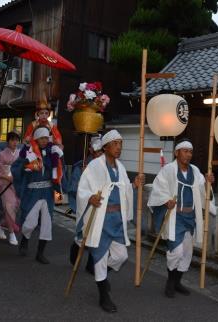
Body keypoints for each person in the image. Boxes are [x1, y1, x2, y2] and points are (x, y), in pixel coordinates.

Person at [76, 129, 144, 313]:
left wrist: (133, 185)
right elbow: (83, 189)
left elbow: (124, 191)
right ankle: (103, 295)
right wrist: (90, 197)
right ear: (105, 147)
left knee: (121, 256)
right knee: (100, 258)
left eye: (120, 144)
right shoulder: (95, 166)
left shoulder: (120, 168)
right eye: (115, 144)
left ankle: (103, 278)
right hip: (99, 218)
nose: (119, 147)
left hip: (116, 219)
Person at [147, 140, 215, 298]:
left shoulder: (195, 171)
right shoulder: (168, 170)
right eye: (185, 151)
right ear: (177, 153)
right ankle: (170, 282)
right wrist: (166, 200)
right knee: (176, 252)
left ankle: (177, 282)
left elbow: (205, 195)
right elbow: (158, 189)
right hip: (174, 216)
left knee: (187, 252)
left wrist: (207, 184)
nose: (188, 154)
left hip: (190, 216)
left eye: (190, 152)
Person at [12, 127, 62, 264]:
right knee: (29, 223)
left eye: (47, 138)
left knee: (47, 224)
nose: (45, 140)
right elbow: (16, 169)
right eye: (42, 138)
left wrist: (58, 195)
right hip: (32, 193)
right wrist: (26, 164)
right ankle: (25, 239)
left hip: (47, 193)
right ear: (36, 139)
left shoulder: (53, 153)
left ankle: (40, 253)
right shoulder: (28, 153)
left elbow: (58, 174)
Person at [68, 135, 103, 273]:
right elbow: (74, 188)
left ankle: (91, 264)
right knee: (83, 235)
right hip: (86, 205)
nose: (99, 154)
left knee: (97, 236)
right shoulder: (81, 166)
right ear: (90, 150)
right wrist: (83, 177)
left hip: (100, 205)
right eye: (97, 151)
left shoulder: (106, 166)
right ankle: (75, 248)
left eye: (102, 151)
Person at [0, 131, 21, 245]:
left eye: (16, 140)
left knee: (14, 208)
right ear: (8, 141)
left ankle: (1, 227)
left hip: (16, 184)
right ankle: (12, 234)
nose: (15, 142)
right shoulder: (2, 154)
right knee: (9, 206)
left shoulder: (20, 154)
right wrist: (6, 177)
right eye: (12, 140)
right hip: (5, 183)